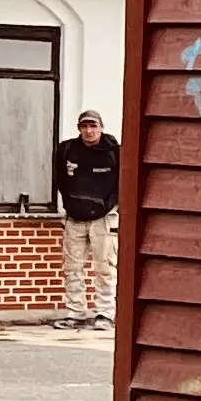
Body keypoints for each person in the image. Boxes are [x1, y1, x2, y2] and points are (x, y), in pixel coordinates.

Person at [51, 109, 120, 329]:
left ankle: (105, 314)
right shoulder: (67, 150)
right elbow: (60, 179)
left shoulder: (114, 152)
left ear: (101, 127)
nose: (89, 131)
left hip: (104, 218)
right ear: (79, 128)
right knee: (72, 268)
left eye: (93, 126)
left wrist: (111, 206)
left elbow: (123, 182)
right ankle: (75, 314)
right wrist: (70, 204)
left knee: (105, 268)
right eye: (84, 126)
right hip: (75, 218)